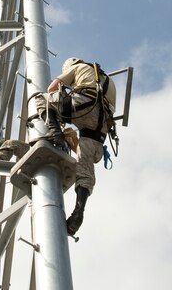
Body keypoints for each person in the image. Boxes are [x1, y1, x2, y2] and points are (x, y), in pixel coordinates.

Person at [34, 57, 116, 236]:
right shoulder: (107, 80)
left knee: (41, 99)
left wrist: (67, 88)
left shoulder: (76, 67)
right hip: (100, 125)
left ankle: (55, 132)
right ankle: (78, 214)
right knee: (85, 169)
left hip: (84, 105)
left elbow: (51, 89)